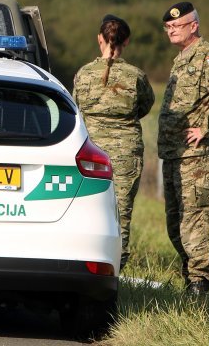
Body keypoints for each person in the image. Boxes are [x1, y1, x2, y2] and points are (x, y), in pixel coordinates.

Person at [158, 1, 209, 296]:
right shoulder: (182, 59)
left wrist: (207, 126)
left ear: (193, 25)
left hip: (195, 158)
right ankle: (190, 281)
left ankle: (199, 289)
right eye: (167, 27)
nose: (171, 30)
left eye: (176, 26)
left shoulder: (206, 55)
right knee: (176, 223)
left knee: (196, 223)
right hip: (174, 154)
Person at [73, 14, 154, 269]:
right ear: (126, 41)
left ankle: (86, 265)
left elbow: (75, 107)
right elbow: (145, 106)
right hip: (127, 153)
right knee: (121, 214)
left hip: (91, 154)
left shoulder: (83, 74)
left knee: (88, 208)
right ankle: (117, 272)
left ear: (99, 39)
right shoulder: (136, 76)